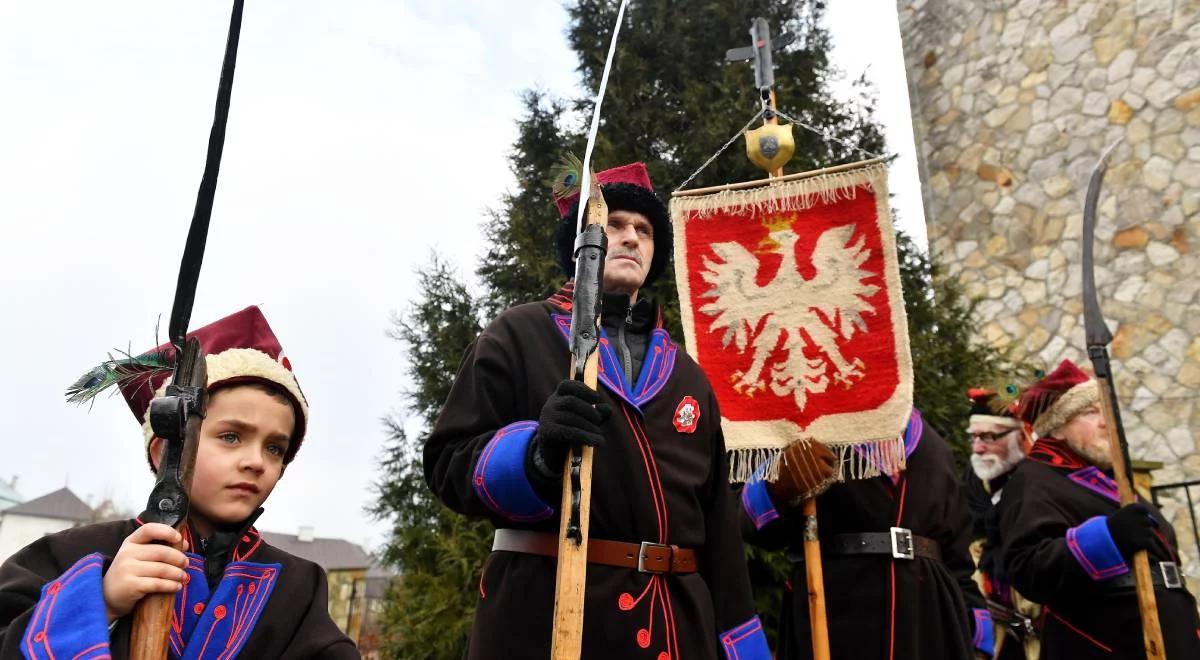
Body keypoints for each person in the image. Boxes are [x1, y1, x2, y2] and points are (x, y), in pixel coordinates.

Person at [424, 162, 769, 659]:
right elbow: (447, 462)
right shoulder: (519, 334)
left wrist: (741, 646)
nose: (631, 238)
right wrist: (535, 455)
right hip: (547, 620)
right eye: (616, 225)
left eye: (645, 230)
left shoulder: (690, 374)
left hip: (680, 627)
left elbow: (719, 525)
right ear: (581, 243)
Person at [0, 306, 357, 658]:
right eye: (231, 436)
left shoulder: (298, 587)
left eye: (275, 448)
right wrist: (102, 600)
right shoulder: (67, 555)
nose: (256, 462)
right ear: (163, 452)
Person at [741, 408, 995, 659]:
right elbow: (746, 523)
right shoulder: (808, 429)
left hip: (928, 624)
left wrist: (977, 638)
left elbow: (958, 560)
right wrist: (777, 485)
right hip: (834, 618)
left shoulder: (935, 448)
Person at [998, 359, 1200, 658]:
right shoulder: (1035, 479)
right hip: (1106, 641)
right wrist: (1108, 537)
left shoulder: (1110, 479)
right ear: (1057, 429)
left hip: (1170, 634)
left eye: (1106, 411)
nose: (1106, 422)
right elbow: (1029, 567)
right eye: (1091, 413)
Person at [961, 388, 1038, 659]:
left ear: (1021, 436)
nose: (978, 447)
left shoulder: (1046, 488)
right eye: (974, 437)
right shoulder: (970, 490)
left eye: (990, 436)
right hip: (993, 637)